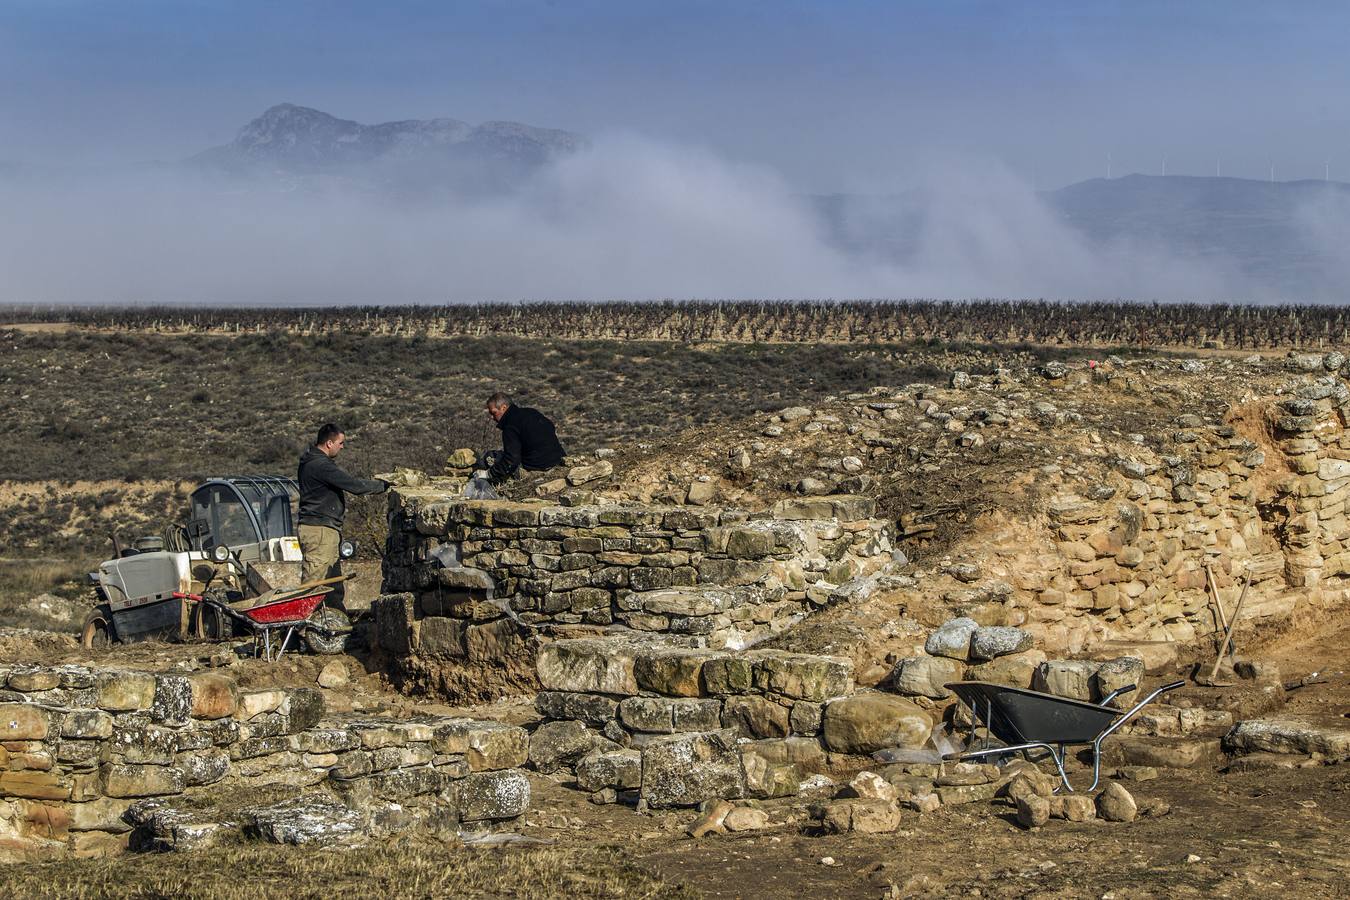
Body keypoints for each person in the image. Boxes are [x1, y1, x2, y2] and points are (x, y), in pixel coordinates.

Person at [296, 423, 389, 594]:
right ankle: (301, 618)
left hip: (322, 529)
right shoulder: (320, 465)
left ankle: (336, 618)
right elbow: (354, 485)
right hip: (320, 530)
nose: (342, 447)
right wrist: (384, 486)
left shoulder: (309, 461)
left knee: (332, 585)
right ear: (329, 443)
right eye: (340, 443)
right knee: (313, 584)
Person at [484, 393, 566, 485]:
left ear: (503, 407)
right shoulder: (531, 412)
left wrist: (489, 473)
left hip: (538, 467)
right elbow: (550, 427)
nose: (492, 417)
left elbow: (512, 460)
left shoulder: (510, 426)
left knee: (491, 456)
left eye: (493, 413)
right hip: (559, 459)